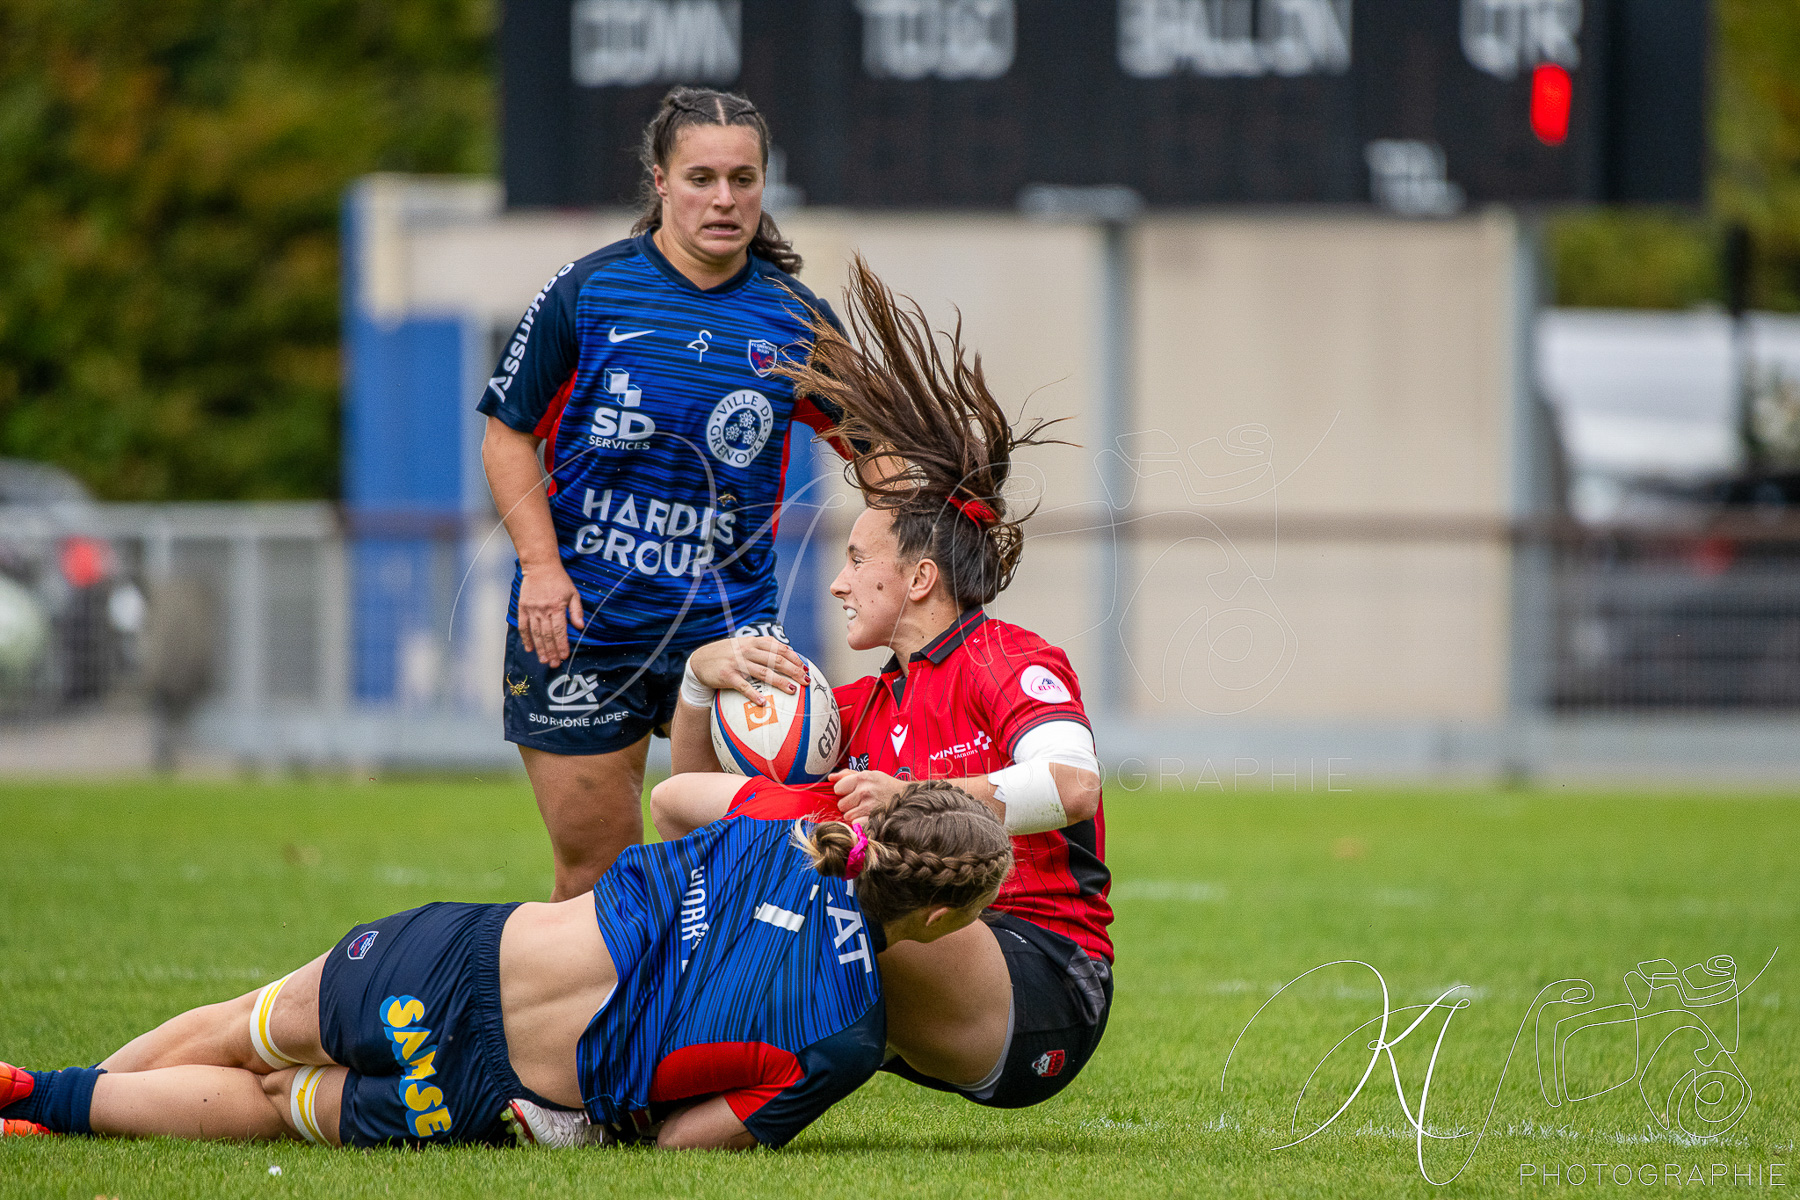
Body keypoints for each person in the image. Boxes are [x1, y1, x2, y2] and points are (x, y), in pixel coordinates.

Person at [652, 258, 1114, 1112]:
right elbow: (689, 799)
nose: (837, 582)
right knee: (740, 848)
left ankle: (646, 1068)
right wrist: (693, 685)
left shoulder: (1011, 659)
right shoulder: (860, 706)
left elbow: (1073, 785)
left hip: (1039, 982)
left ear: (918, 579)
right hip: (929, 951)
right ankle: (634, 1088)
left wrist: (914, 797)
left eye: (858, 560)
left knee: (805, 867)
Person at [0, 783, 1011, 1150]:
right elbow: (687, 1146)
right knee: (270, 1105)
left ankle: (34, 1097)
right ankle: (45, 1108)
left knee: (238, 1026)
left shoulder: (780, 827)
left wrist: (825, 792)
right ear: (933, 915)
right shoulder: (848, 1037)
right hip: (490, 1088)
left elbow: (680, 796)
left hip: (455, 951)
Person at [478, 85, 855, 901]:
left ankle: (717, 1030)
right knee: (597, 878)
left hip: (731, 638)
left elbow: (878, 450)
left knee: (737, 871)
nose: (725, 199)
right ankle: (589, 1032)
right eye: (701, 178)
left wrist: (910, 542)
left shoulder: (795, 319)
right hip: (588, 627)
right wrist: (541, 568)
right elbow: (507, 436)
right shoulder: (590, 291)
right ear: (660, 179)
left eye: (744, 179)